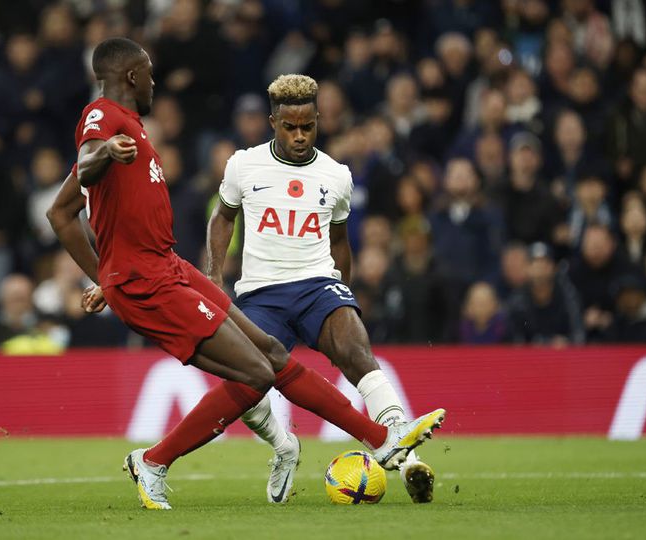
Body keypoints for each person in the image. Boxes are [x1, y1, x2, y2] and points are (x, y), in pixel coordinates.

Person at [48, 38, 444, 510]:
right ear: (132, 76)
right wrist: (105, 156)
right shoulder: (104, 119)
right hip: (147, 282)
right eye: (150, 73)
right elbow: (81, 175)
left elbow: (62, 211)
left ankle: (381, 440)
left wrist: (104, 276)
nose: (155, 81)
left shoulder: (132, 127)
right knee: (257, 373)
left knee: (271, 355)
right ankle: (153, 462)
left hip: (167, 265)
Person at [207, 74, 441, 505]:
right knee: (245, 383)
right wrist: (214, 274)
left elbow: (339, 240)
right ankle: (283, 445)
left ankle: (404, 451)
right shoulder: (244, 164)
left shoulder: (336, 175)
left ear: (318, 121)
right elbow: (223, 217)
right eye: (290, 127)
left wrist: (343, 296)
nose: (299, 136)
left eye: (308, 127)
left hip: (317, 285)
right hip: (261, 292)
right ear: (273, 121)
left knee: (355, 348)